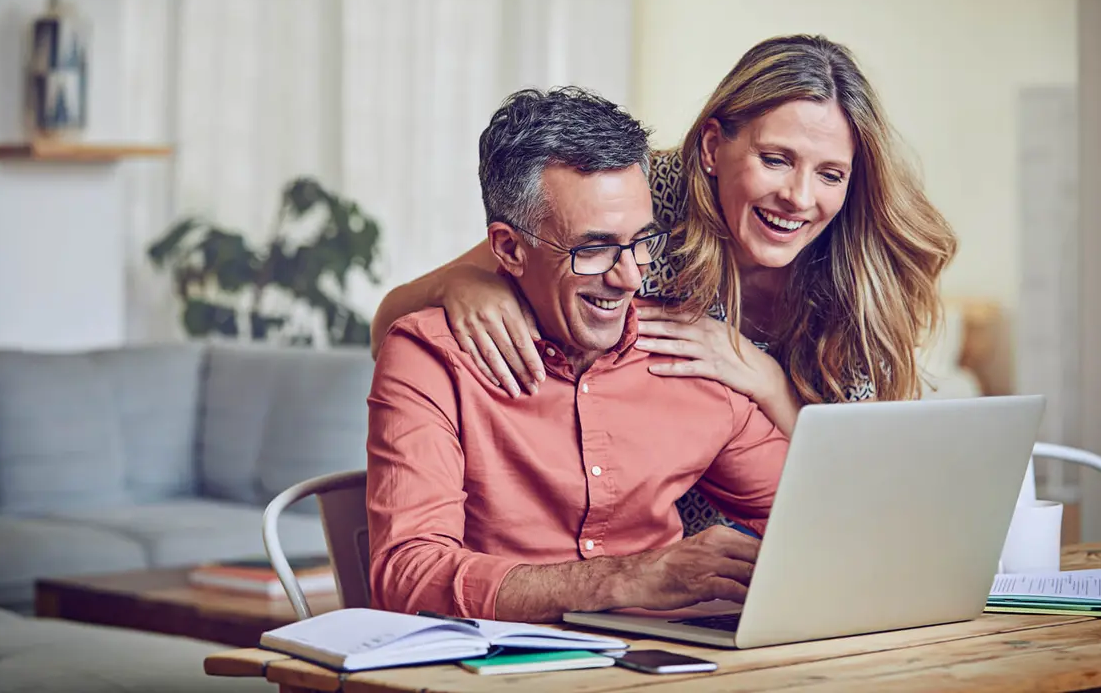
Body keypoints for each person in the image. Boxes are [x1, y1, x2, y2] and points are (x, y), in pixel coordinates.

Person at [369, 34, 957, 535]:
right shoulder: (638, 200)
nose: (800, 198)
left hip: (788, 531)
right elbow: (398, 316)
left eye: (830, 174)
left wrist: (766, 382)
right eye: (776, 159)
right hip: (650, 543)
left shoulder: (863, 271)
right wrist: (468, 284)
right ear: (711, 147)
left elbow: (866, 490)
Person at [367, 87, 789, 623]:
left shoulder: (689, 356)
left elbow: (819, 518)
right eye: (593, 249)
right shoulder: (431, 357)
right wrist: (629, 577)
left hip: (669, 669)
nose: (630, 277)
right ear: (510, 249)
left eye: (641, 242)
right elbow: (408, 577)